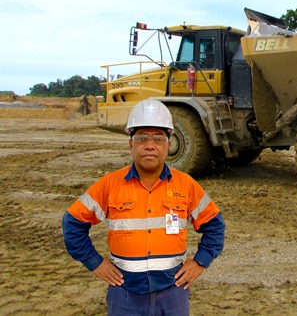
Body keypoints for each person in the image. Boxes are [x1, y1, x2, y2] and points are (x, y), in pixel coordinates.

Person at [62, 99, 225, 315]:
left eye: (158, 138)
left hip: (173, 294)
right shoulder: (110, 185)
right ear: (131, 143)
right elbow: (72, 222)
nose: (150, 145)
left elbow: (214, 225)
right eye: (142, 138)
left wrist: (200, 262)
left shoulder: (186, 185)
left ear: (169, 143)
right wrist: (95, 263)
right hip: (125, 294)